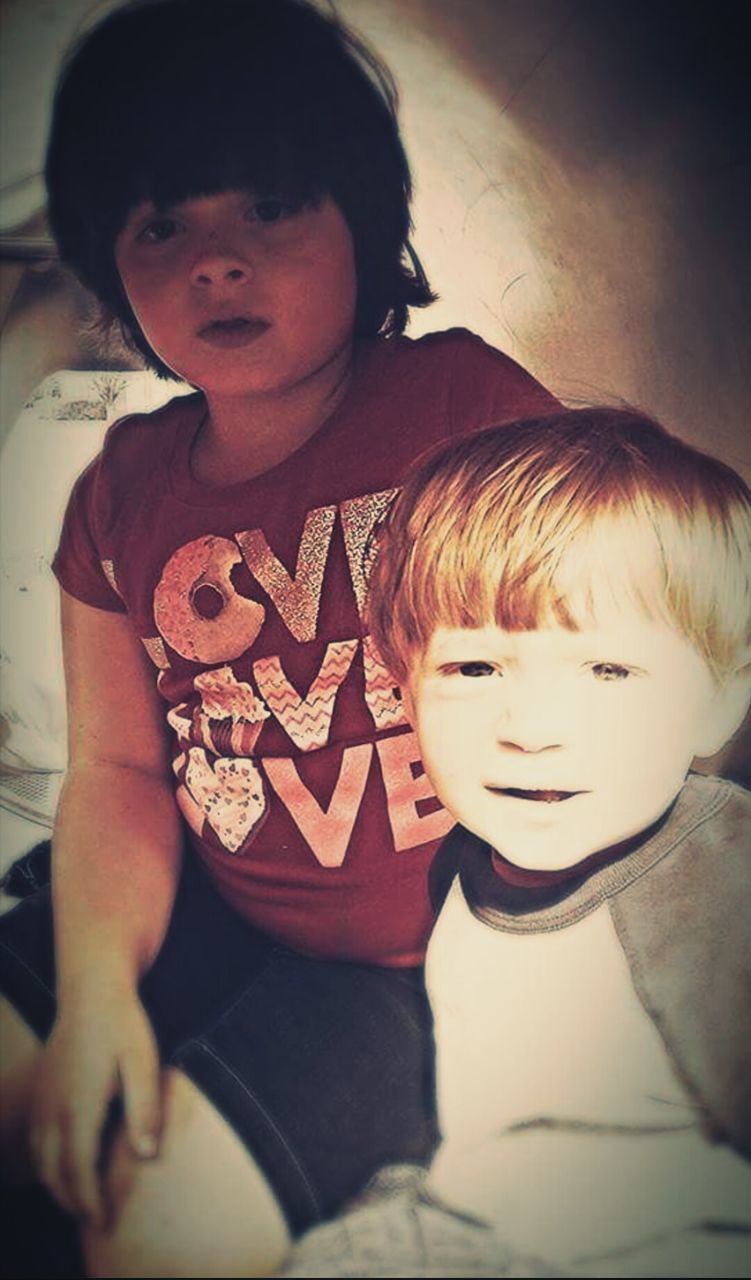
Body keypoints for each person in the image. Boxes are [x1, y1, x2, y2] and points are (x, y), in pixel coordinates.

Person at [0, 0, 558, 1275]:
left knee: (143, 1234)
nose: (216, 261)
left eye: (272, 204)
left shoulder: (465, 407)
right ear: (110, 259)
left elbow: (610, 619)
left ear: (362, 215)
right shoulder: (119, 487)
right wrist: (96, 1002)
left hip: (393, 979)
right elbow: (121, 773)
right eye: (164, 224)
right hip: (190, 900)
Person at [281, 406, 751, 1278]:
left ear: (720, 698)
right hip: (469, 1220)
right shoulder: (466, 856)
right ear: (403, 690)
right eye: (474, 668)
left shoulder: (715, 883)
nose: (531, 730)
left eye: (608, 670)